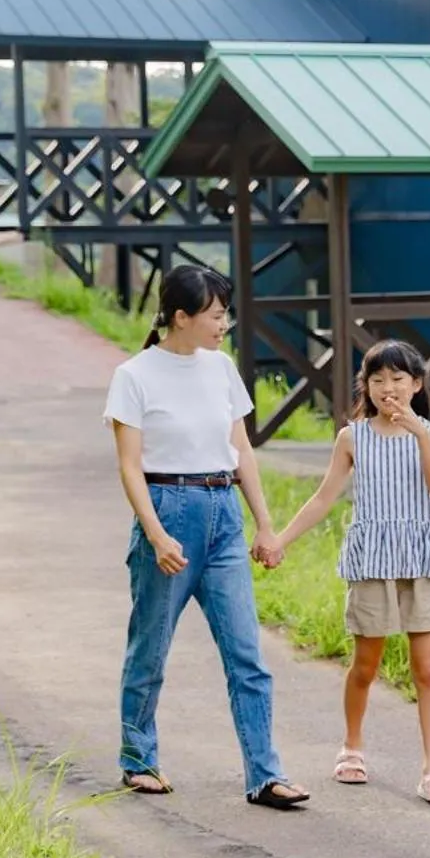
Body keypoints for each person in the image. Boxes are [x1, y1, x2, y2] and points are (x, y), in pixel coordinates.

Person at [102, 264, 310, 810]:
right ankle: (139, 760)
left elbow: (241, 451)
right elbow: (129, 467)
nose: (226, 324)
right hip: (167, 511)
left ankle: (265, 774)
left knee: (248, 655)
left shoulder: (220, 369)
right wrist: (156, 534)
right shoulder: (135, 375)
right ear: (181, 318)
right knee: (150, 647)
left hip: (224, 514)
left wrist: (264, 524)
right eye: (217, 315)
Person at [276, 338, 430, 806]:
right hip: (372, 558)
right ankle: (352, 746)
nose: (388, 388)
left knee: (427, 667)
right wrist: (280, 540)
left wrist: (417, 431)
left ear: (417, 385)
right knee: (366, 664)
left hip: (421, 557)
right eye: (377, 380)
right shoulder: (353, 437)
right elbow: (323, 498)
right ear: (367, 386)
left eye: (398, 379)